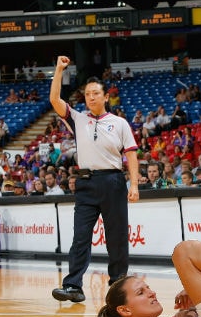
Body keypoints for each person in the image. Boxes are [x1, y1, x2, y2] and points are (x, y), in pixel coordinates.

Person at [49, 55, 140, 303]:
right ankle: (73, 286)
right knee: (80, 237)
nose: (90, 97)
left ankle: (118, 285)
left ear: (105, 97)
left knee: (117, 236)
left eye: (95, 93)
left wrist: (134, 183)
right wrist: (58, 70)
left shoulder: (119, 123)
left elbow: (131, 154)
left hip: (113, 181)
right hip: (86, 183)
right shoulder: (78, 119)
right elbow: (54, 100)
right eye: (87, 94)